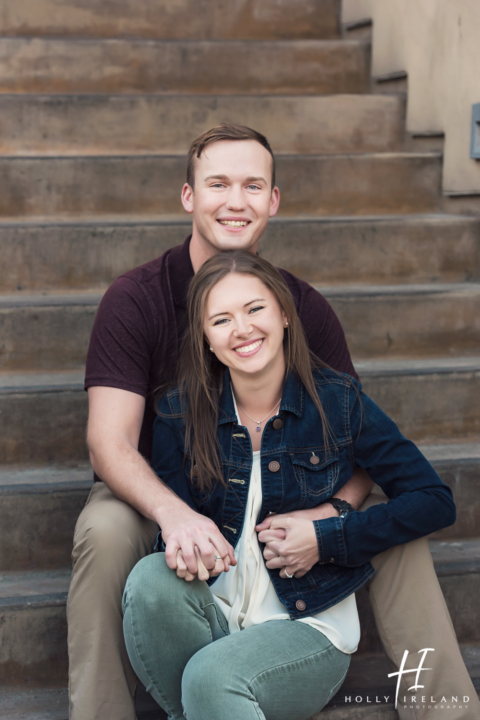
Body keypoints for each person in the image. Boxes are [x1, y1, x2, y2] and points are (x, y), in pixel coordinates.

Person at [69, 123, 480, 720]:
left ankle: (447, 710)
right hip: (168, 492)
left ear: (273, 201)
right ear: (189, 196)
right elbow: (109, 443)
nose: (235, 201)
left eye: (252, 186)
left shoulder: (305, 306)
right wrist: (176, 515)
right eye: (218, 184)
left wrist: (332, 515)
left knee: (388, 522)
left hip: (293, 501)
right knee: (107, 533)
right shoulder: (137, 301)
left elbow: (357, 439)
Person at [122, 250, 456, 720]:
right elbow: (173, 533)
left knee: (212, 678)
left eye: (255, 309)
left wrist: (329, 535)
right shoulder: (179, 414)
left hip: (306, 628)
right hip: (211, 617)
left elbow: (434, 501)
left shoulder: (338, 402)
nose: (242, 329)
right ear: (206, 339)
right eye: (221, 319)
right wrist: (186, 542)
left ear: (283, 315)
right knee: (150, 580)